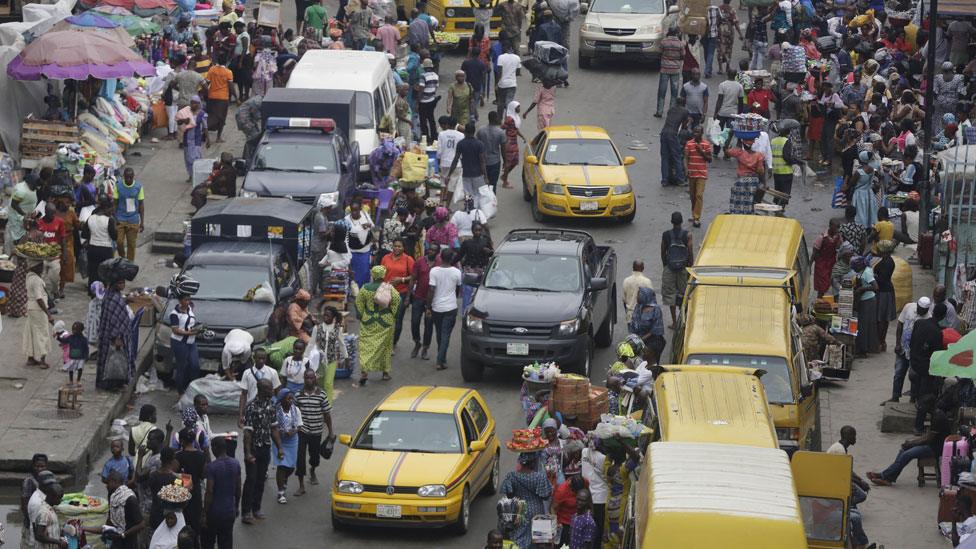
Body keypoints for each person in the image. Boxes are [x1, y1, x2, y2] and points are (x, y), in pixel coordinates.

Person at [868, 409, 951, 485]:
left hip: (935, 449)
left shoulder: (938, 419)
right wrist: (911, 443)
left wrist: (912, 443)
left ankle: (884, 476)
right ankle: (888, 478)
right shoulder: (936, 414)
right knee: (903, 449)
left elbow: (927, 439)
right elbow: (926, 437)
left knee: (906, 455)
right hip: (930, 445)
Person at [826, 426, 875, 549]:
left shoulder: (842, 448)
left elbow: (848, 470)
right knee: (856, 513)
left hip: (840, 482)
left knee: (856, 514)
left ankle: (860, 543)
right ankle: (862, 544)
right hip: (836, 484)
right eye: (854, 435)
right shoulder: (839, 450)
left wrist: (860, 481)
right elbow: (844, 473)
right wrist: (859, 483)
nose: (855, 438)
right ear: (848, 436)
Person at [241, 378, 280, 524]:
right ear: (261, 390)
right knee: (251, 479)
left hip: (265, 447)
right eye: (269, 389)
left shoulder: (271, 405)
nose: (272, 391)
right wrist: (247, 453)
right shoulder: (251, 407)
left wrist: (280, 447)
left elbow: (274, 428)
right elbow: (247, 433)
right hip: (253, 448)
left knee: (260, 479)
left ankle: (256, 508)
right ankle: (246, 512)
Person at [356, 265, 401, 384]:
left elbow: (359, 302)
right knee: (385, 347)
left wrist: (360, 315)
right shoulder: (389, 288)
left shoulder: (365, 288)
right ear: (383, 275)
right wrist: (393, 314)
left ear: (373, 275)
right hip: (385, 321)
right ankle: (385, 373)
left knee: (366, 346)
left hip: (368, 321)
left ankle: (364, 371)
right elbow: (397, 300)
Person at [501, 452, 553, 548]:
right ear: (533, 463)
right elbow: (546, 496)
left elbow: (509, 495)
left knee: (519, 536)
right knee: (540, 541)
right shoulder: (539, 477)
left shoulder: (512, 476)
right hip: (537, 511)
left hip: (519, 510)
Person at [909, 303, 947, 433]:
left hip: (914, 363)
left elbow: (912, 341)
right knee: (925, 397)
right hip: (926, 368)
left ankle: (914, 399)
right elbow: (936, 355)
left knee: (918, 391)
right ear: (943, 316)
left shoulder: (919, 323)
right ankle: (918, 426)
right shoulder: (937, 333)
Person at [295, 369, 333, 495]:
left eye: (311, 378)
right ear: (304, 379)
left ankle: (312, 470)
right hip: (302, 431)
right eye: (307, 378)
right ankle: (301, 485)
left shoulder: (321, 395)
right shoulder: (298, 395)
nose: (309, 380)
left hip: (317, 432)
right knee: (300, 458)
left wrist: (331, 432)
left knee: (315, 457)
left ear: (315, 379)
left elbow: (327, 415)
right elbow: (294, 413)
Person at [888, 296, 931, 405]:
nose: (921, 312)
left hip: (915, 353)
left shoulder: (928, 318)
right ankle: (895, 396)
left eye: (924, 311)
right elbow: (900, 325)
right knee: (898, 373)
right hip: (903, 348)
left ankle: (913, 399)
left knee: (914, 376)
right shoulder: (908, 307)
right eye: (920, 309)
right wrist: (898, 343)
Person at [96, 277, 136, 389]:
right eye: (120, 283)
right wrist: (116, 338)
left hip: (117, 334)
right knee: (113, 361)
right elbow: (114, 320)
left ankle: (119, 382)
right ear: (114, 284)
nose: (123, 285)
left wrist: (126, 300)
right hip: (115, 336)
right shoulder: (113, 298)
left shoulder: (114, 296)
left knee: (118, 360)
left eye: (123, 282)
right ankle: (111, 383)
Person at [427, 248, 462, 370]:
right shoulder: (457, 272)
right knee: (446, 335)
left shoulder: (434, 271)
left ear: (440, 257)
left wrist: (428, 306)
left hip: (437, 307)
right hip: (451, 307)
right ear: (452, 258)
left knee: (439, 334)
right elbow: (458, 289)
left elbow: (431, 290)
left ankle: (442, 358)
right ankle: (440, 360)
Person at [202, 435, 240, 549]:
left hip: (214, 513)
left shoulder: (212, 467)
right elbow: (238, 488)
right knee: (226, 542)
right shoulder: (235, 463)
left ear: (215, 448)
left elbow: (209, 492)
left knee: (208, 541)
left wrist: (204, 513)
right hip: (229, 511)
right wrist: (236, 506)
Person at [306, 304, 348, 402]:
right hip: (319, 362)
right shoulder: (317, 328)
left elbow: (342, 344)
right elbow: (311, 344)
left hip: (332, 360)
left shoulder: (338, 329)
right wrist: (305, 357)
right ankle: (321, 403)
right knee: (320, 384)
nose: (325, 317)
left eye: (328, 315)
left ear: (333, 317)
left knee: (328, 384)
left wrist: (346, 358)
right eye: (324, 315)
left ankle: (328, 407)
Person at [381, 239, 416, 346]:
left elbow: (414, 276)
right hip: (386, 292)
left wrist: (402, 279)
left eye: (399, 246)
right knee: (384, 318)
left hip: (401, 293)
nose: (397, 248)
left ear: (404, 248)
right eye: (395, 246)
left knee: (398, 319)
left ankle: (393, 343)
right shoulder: (386, 257)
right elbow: (380, 273)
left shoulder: (408, 259)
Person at [661, 212, 692, 326]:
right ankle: (684, 320)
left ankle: (674, 322)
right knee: (684, 295)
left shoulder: (666, 235)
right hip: (683, 269)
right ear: (682, 221)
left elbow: (663, 251)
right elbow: (690, 252)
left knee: (670, 296)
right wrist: (689, 268)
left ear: (672, 222)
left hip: (670, 268)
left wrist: (665, 265)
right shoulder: (687, 235)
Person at [272, 387, 301, 504]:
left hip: (293, 441)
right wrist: (280, 446)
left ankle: (284, 480)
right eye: (288, 398)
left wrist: (292, 432)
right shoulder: (275, 411)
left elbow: (299, 426)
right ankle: (281, 493)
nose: (291, 401)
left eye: (292, 398)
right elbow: (273, 428)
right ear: (282, 400)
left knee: (291, 467)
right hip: (279, 440)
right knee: (282, 465)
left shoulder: (296, 410)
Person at [100, 469, 144, 549]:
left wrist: (123, 535)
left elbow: (141, 525)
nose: (106, 486)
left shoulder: (130, 499)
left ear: (115, 481)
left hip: (129, 543)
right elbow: (110, 522)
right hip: (116, 542)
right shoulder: (112, 496)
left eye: (108, 483)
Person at [723, 136, 767, 214]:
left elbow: (726, 151)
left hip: (740, 182)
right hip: (753, 183)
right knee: (750, 202)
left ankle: (736, 214)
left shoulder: (739, 152)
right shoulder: (759, 155)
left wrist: (731, 135)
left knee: (737, 202)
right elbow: (761, 171)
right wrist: (763, 183)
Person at [237, 348, 281, 425]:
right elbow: (243, 394)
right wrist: (241, 414)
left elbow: (278, 393)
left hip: (268, 409)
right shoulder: (247, 373)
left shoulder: (272, 372)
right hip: (252, 409)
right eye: (259, 358)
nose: (261, 361)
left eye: (263, 358)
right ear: (254, 358)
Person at [447, 122, 488, 204]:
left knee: (468, 195)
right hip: (478, 174)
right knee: (478, 195)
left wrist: (449, 175)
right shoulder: (479, 144)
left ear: (465, 132)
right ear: (474, 131)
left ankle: (469, 210)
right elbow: (482, 162)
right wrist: (485, 176)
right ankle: (476, 212)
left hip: (466, 174)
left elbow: (455, 160)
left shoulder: (461, 144)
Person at [176, 427, 206, 538]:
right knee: (194, 523)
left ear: (182, 441)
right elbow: (203, 475)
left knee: (183, 521)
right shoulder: (201, 455)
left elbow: (173, 474)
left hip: (182, 492)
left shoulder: (178, 456)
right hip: (196, 492)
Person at [410, 243, 439, 359]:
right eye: (430, 249)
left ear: (437, 253)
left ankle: (425, 348)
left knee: (429, 325)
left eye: (434, 250)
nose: (431, 252)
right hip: (418, 297)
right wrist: (408, 296)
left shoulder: (440, 263)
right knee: (414, 322)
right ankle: (417, 343)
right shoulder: (420, 261)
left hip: (432, 300)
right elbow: (413, 279)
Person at [170, 292, 202, 393]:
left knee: (195, 365)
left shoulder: (190, 308)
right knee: (182, 367)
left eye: (189, 300)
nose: (188, 302)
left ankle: (193, 389)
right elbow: (175, 330)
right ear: (180, 301)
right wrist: (190, 333)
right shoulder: (174, 314)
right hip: (180, 343)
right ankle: (180, 391)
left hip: (191, 343)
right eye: (185, 300)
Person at [458, 222, 492, 313]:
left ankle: (481, 311)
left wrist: (488, 251)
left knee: (481, 292)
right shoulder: (467, 243)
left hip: (482, 270)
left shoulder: (486, 241)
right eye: (476, 230)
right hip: (470, 270)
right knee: (467, 292)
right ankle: (465, 312)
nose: (478, 232)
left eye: (480, 230)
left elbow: (492, 253)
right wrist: (451, 263)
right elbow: (460, 255)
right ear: (472, 231)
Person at [22, 260, 52, 368]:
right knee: (42, 333)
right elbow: (39, 298)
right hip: (38, 309)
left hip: (30, 308)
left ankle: (31, 358)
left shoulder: (29, 277)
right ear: (35, 267)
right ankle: (42, 360)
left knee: (31, 331)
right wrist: (48, 314)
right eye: (40, 266)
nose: (42, 268)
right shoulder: (37, 280)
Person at [629, 287, 666, 365]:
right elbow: (633, 323)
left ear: (644, 296)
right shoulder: (638, 307)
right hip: (639, 339)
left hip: (653, 341)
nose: (636, 297)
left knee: (649, 363)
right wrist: (633, 339)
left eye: (638, 295)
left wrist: (640, 340)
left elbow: (655, 330)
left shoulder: (656, 310)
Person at [683, 125, 712, 227]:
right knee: (693, 195)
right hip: (692, 173)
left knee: (699, 195)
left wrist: (701, 151)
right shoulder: (689, 144)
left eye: (698, 132)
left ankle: (696, 217)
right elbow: (686, 158)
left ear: (701, 133)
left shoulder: (706, 144)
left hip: (702, 174)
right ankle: (694, 212)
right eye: (694, 132)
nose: (696, 134)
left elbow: (709, 159)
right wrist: (686, 169)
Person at [113, 167, 144, 262]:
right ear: (123, 177)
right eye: (126, 177)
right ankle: (122, 258)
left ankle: (129, 264)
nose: (128, 180)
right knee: (119, 242)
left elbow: (141, 205)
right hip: (120, 219)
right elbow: (115, 203)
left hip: (133, 220)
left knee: (131, 244)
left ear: (133, 177)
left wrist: (142, 222)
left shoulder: (138, 187)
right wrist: (114, 218)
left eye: (130, 177)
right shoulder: (118, 186)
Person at [178, 96, 210, 183]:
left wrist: (208, 139)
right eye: (192, 102)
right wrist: (184, 120)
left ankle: (197, 175)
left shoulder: (202, 114)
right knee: (188, 158)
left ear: (199, 104)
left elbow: (205, 127)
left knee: (195, 158)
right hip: (186, 139)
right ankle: (191, 175)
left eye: (195, 103)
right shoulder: (186, 112)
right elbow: (178, 122)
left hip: (196, 139)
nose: (193, 104)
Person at [4, 173, 39, 254]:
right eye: (35, 186)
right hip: (16, 221)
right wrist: (24, 214)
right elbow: (14, 204)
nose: (36, 188)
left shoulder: (32, 188)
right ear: (30, 183)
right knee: (13, 245)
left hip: (25, 222)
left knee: (23, 245)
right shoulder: (21, 191)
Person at [851, 256, 879, 357]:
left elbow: (875, 287)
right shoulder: (863, 271)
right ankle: (862, 348)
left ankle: (863, 351)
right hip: (864, 301)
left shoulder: (866, 272)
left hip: (868, 301)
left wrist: (862, 289)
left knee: (863, 326)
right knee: (862, 325)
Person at [661, 96, 691, 187]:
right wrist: (689, 122)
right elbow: (684, 126)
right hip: (673, 134)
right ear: (684, 103)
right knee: (677, 156)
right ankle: (680, 180)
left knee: (665, 158)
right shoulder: (685, 111)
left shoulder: (671, 110)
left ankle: (664, 180)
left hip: (664, 133)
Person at [345, 199, 374, 289]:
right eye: (352, 210)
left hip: (365, 250)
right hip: (353, 251)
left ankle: (363, 290)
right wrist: (362, 226)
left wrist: (368, 225)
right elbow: (351, 231)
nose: (354, 212)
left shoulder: (365, 214)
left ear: (360, 209)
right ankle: (354, 291)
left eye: (356, 210)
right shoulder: (346, 219)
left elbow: (372, 225)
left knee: (364, 272)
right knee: (353, 273)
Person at [205, 56, 235, 143]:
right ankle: (218, 137)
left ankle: (204, 133)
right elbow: (231, 87)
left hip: (211, 97)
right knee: (221, 118)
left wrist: (205, 93)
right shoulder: (228, 72)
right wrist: (236, 97)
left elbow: (207, 82)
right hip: (222, 98)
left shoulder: (212, 70)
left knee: (211, 115)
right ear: (226, 62)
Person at [656, 29, 685, 117]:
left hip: (664, 69)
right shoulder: (680, 43)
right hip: (675, 70)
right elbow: (683, 56)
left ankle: (659, 111)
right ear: (676, 33)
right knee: (674, 93)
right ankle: (671, 112)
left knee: (662, 91)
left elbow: (659, 52)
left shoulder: (664, 42)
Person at [20, 453, 48, 545]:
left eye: (42, 466)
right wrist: (33, 524)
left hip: (42, 520)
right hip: (31, 522)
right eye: (37, 466)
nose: (39, 469)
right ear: (33, 466)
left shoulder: (46, 479)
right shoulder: (29, 481)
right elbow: (24, 506)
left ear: (46, 466)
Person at [812, 219, 842, 298]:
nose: (837, 230)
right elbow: (815, 250)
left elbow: (839, 248)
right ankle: (819, 300)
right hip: (822, 264)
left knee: (832, 283)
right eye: (836, 228)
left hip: (832, 263)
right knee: (821, 286)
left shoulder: (838, 237)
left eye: (838, 228)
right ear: (830, 226)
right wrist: (810, 263)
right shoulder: (822, 237)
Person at [501, 101, 526, 188]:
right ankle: (505, 182)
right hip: (509, 142)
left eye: (519, 107)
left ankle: (504, 176)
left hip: (514, 142)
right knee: (508, 163)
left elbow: (516, 129)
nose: (519, 109)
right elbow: (502, 127)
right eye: (517, 107)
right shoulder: (509, 118)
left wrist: (522, 136)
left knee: (515, 161)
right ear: (513, 108)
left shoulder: (515, 117)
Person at [33, 480, 64, 549]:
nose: (60, 500)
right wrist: (58, 542)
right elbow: (39, 535)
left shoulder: (51, 509)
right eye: (59, 498)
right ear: (51, 497)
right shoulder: (44, 512)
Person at [716, 0, 742, 74]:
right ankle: (727, 66)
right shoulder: (732, 10)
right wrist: (740, 34)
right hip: (729, 32)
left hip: (720, 32)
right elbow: (736, 23)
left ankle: (720, 68)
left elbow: (716, 22)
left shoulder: (719, 9)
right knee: (729, 49)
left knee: (720, 50)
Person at [495, 44, 521, 119]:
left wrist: (497, 83)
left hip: (502, 84)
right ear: (512, 49)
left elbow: (499, 72)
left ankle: (499, 119)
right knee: (509, 103)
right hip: (512, 84)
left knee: (501, 102)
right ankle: (508, 120)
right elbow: (518, 72)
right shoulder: (517, 58)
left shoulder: (501, 57)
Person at [770, 123, 796, 196]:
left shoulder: (773, 141)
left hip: (776, 171)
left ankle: (777, 206)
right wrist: (794, 161)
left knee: (778, 192)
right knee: (785, 194)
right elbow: (786, 157)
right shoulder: (786, 141)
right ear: (787, 132)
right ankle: (781, 207)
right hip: (786, 172)